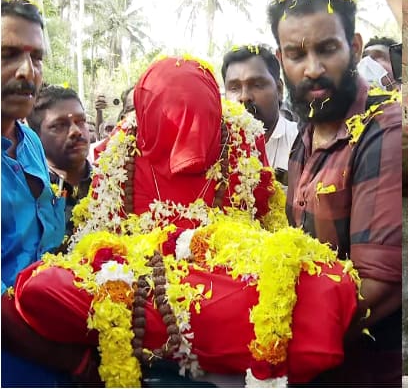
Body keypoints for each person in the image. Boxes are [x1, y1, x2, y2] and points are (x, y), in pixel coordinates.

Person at [12, 55, 360, 386]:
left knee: (324, 286)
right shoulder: (121, 146)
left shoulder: (240, 136)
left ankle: (195, 331)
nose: (186, 136)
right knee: (42, 286)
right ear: (147, 113)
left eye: (198, 119)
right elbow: (102, 237)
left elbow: (261, 226)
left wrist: (204, 245)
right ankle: (195, 334)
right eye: (173, 120)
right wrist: (152, 253)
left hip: (221, 272)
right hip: (134, 277)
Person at [268, 0, 402, 385]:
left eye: (327, 49)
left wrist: (273, 335)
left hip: (366, 370)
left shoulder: (383, 131)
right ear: (280, 60)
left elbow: (376, 286)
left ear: (354, 47)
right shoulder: (304, 138)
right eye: (296, 54)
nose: (312, 69)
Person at [0, 0, 99, 386]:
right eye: (8, 54)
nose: (27, 71)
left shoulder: (30, 143)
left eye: (36, 57)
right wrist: (69, 361)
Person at [221, 44, 298, 183]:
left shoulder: (302, 142)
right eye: (234, 88)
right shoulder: (217, 150)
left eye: (257, 85)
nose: (244, 97)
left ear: (279, 89)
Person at [28, 85, 93, 244]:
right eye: (60, 125)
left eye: (81, 121)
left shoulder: (115, 181)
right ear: (36, 136)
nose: (76, 131)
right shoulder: (30, 192)